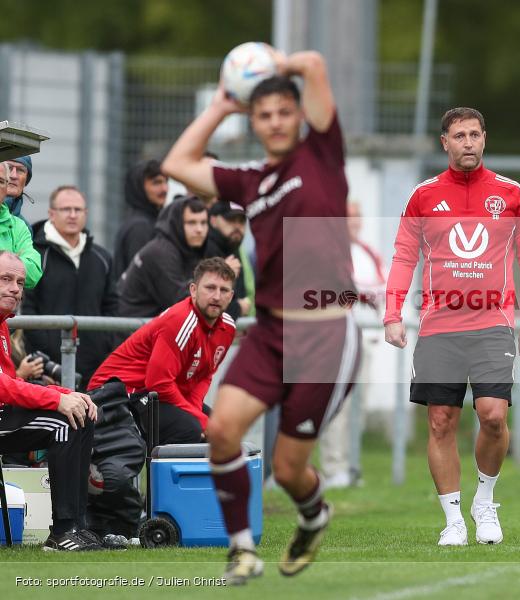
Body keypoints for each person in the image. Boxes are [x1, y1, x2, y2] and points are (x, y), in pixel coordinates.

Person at [161, 47, 359, 585]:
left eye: (283, 113)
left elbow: (315, 64)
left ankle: (314, 514)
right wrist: (222, 106)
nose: (274, 122)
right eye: (263, 114)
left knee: (291, 468)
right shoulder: (252, 181)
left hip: (324, 335)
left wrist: (277, 62)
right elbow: (176, 165)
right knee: (222, 430)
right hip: (272, 332)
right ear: (254, 120)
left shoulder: (321, 156)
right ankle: (243, 551)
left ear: (299, 118)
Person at [383, 107, 520, 546]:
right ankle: (453, 519)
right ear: (445, 143)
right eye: (459, 135)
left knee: (492, 416)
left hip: (493, 324)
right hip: (439, 326)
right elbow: (403, 255)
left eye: (474, 134)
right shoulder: (424, 195)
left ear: (485, 139)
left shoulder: (510, 194)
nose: (468, 142)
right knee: (440, 421)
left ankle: (485, 502)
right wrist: (393, 314)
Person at [0, 251, 101, 551]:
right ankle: (62, 531)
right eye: (5, 279)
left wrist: (67, 394)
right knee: (63, 423)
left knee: (80, 414)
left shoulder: (2, 324)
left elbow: (11, 381)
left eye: (19, 282)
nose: (16, 288)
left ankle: (77, 526)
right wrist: (56, 403)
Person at [88, 258, 236, 444]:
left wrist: (195, 410)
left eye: (223, 290)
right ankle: (154, 473)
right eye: (210, 288)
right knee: (191, 430)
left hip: (153, 392)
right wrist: (198, 419)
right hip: (117, 394)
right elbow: (158, 383)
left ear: (231, 296)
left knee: (217, 430)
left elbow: (204, 375)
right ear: (193, 290)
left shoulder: (228, 328)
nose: (216, 296)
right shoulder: (181, 320)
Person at [22, 185, 118, 387]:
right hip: (48, 372)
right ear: (51, 214)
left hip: (95, 371)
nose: (72, 215)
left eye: (78, 209)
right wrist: (47, 352)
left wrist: (103, 348)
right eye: (66, 209)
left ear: (86, 213)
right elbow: (28, 309)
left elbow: (112, 307)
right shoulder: (34, 255)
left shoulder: (102, 258)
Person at [319, 202, 386, 489]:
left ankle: (351, 465)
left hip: (365, 339)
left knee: (359, 405)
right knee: (338, 407)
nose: (354, 222)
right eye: (348, 216)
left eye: (358, 216)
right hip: (336, 342)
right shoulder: (327, 252)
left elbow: (382, 290)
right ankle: (333, 468)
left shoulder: (368, 252)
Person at [117, 195, 208, 318]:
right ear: (177, 224)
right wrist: (216, 278)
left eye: (203, 223)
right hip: (127, 331)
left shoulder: (186, 249)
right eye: (191, 223)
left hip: (143, 329)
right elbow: (182, 303)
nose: (199, 229)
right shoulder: (161, 252)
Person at [112, 159, 168, 279]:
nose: (164, 189)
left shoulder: (147, 221)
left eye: (165, 182)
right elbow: (141, 277)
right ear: (139, 187)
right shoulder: (140, 227)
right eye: (156, 183)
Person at [205, 200, 251, 319]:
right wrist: (238, 308)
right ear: (213, 221)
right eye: (230, 220)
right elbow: (202, 304)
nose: (237, 226)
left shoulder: (233, 246)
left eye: (241, 221)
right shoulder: (204, 248)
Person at [0, 162, 41, 288]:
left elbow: (34, 272)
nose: (13, 175)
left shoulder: (20, 226)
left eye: (1, 181)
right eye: (10, 168)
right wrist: (14, 259)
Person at [4, 156, 34, 231]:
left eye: (20, 170)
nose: (13, 176)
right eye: (8, 168)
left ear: (26, 181)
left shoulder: (25, 228)